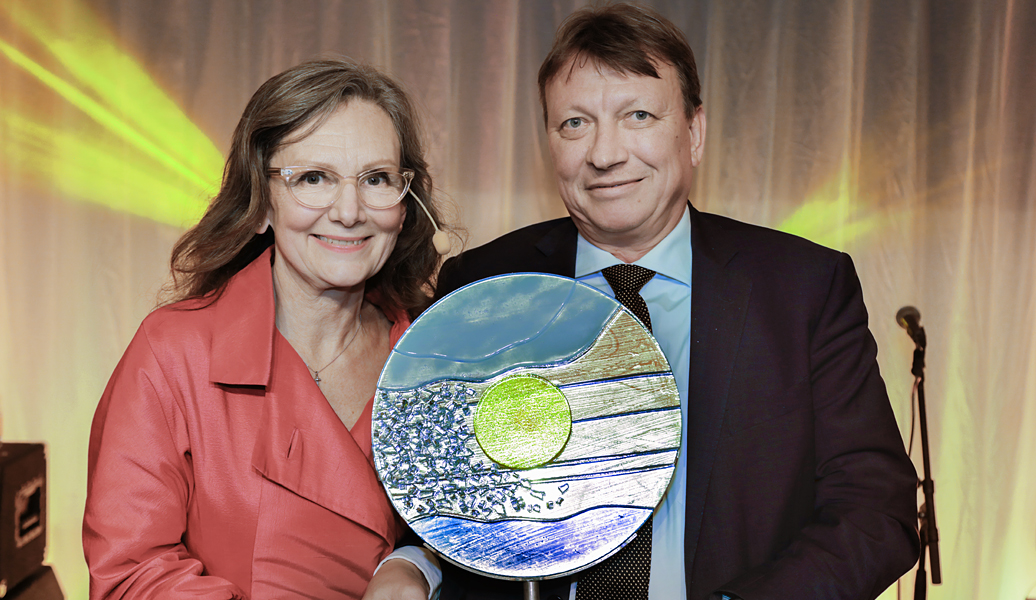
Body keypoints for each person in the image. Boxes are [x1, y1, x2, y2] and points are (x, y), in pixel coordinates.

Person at [436, 4, 919, 600]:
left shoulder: (803, 290)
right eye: (575, 123)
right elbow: (434, 490)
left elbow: (875, 511)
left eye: (637, 115)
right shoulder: (481, 288)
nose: (605, 154)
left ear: (694, 133)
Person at [83, 58, 451, 600]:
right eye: (313, 178)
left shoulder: (436, 350)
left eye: (376, 179)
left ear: (404, 202)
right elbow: (131, 574)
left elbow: (483, 525)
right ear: (261, 203)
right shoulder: (174, 352)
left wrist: (417, 563)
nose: (350, 211)